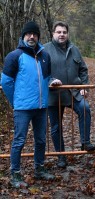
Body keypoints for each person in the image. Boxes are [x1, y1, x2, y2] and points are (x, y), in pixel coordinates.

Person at [1, 21, 59, 188]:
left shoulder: (44, 56)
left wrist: (54, 80)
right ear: (23, 36)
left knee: (41, 140)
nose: (31, 36)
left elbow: (47, 78)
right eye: (28, 34)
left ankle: (39, 169)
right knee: (19, 140)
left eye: (34, 34)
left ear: (38, 36)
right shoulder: (14, 56)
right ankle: (15, 173)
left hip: (41, 107)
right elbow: (6, 82)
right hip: (23, 108)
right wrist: (15, 101)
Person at [44, 21, 95, 168]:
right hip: (54, 95)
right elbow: (41, 72)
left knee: (85, 108)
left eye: (64, 32)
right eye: (59, 32)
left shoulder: (74, 49)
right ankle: (61, 157)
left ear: (67, 34)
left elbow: (83, 70)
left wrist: (84, 86)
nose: (62, 35)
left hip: (74, 93)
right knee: (56, 127)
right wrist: (51, 80)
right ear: (53, 34)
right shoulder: (45, 50)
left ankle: (85, 143)